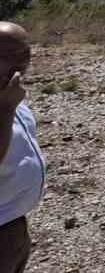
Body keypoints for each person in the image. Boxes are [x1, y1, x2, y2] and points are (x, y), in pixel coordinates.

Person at [0, 23, 42, 273]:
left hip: (14, 224)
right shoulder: (7, 99)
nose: (19, 62)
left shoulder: (10, 93)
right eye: (6, 54)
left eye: (23, 53)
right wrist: (5, 108)